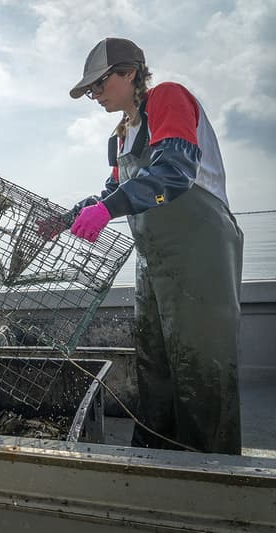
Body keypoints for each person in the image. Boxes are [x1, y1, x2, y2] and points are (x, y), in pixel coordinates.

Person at [64, 38, 243, 454]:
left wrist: (108, 209)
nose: (94, 95)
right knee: (155, 367)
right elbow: (113, 190)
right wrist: (62, 219)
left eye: (99, 84)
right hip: (154, 260)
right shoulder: (122, 134)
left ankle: (211, 474)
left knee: (201, 366)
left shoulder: (167, 98)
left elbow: (175, 173)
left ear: (129, 73)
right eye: (89, 89)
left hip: (201, 252)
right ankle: (156, 460)